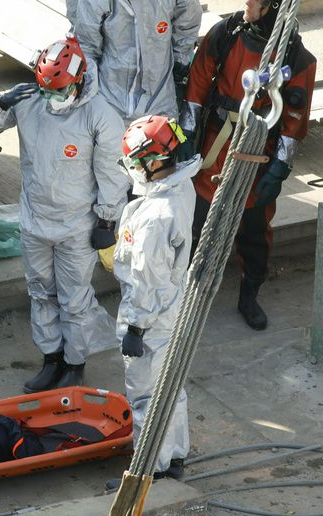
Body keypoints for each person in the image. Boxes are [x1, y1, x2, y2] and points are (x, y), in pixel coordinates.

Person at [0, 36, 129, 393]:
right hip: (35, 221)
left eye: (58, 91)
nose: (52, 99)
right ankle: (51, 360)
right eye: (47, 90)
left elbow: (112, 174)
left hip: (77, 226)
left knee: (74, 299)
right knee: (41, 292)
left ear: (77, 82)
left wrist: (107, 220)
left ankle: (75, 364)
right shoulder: (31, 100)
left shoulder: (99, 116)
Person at [179, 0, 316, 330]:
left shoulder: (296, 58)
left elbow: (295, 116)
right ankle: (182, 290)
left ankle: (249, 292)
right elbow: (198, 80)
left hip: (257, 153)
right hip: (216, 146)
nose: (245, 2)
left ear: (271, 5)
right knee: (196, 220)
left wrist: (281, 167)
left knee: (254, 230)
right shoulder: (226, 34)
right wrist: (187, 129)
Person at [105, 115, 201, 492]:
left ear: (152, 161)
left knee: (147, 395)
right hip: (172, 308)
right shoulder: (180, 188)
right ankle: (175, 454)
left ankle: (150, 470)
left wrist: (136, 328)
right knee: (172, 387)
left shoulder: (154, 220)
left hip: (151, 317)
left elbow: (148, 279)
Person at [71, 0, 202, 124]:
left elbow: (188, 24)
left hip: (161, 105)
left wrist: (178, 68)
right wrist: (85, 93)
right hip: (111, 105)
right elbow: (86, 45)